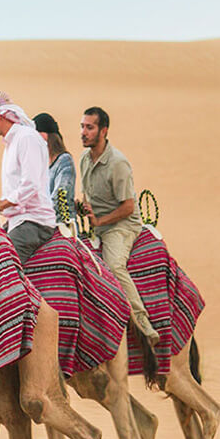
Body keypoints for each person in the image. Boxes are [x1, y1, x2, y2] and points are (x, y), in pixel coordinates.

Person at [79, 106, 159, 345]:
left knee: (114, 265)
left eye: (89, 127)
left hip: (121, 226)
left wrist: (100, 221)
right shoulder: (84, 159)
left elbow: (128, 207)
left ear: (103, 131)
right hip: (97, 226)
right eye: (82, 127)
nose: (83, 132)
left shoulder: (118, 163)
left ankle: (142, 321)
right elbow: (87, 195)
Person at [0, 92, 57, 265]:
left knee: (3, 266)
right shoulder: (11, 143)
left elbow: (31, 184)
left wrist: (2, 204)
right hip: (18, 221)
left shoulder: (26, 138)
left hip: (34, 222)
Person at [33, 112, 76, 223]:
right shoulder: (39, 164)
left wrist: (36, 216)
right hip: (41, 223)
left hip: (61, 225)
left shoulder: (64, 161)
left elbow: (59, 196)